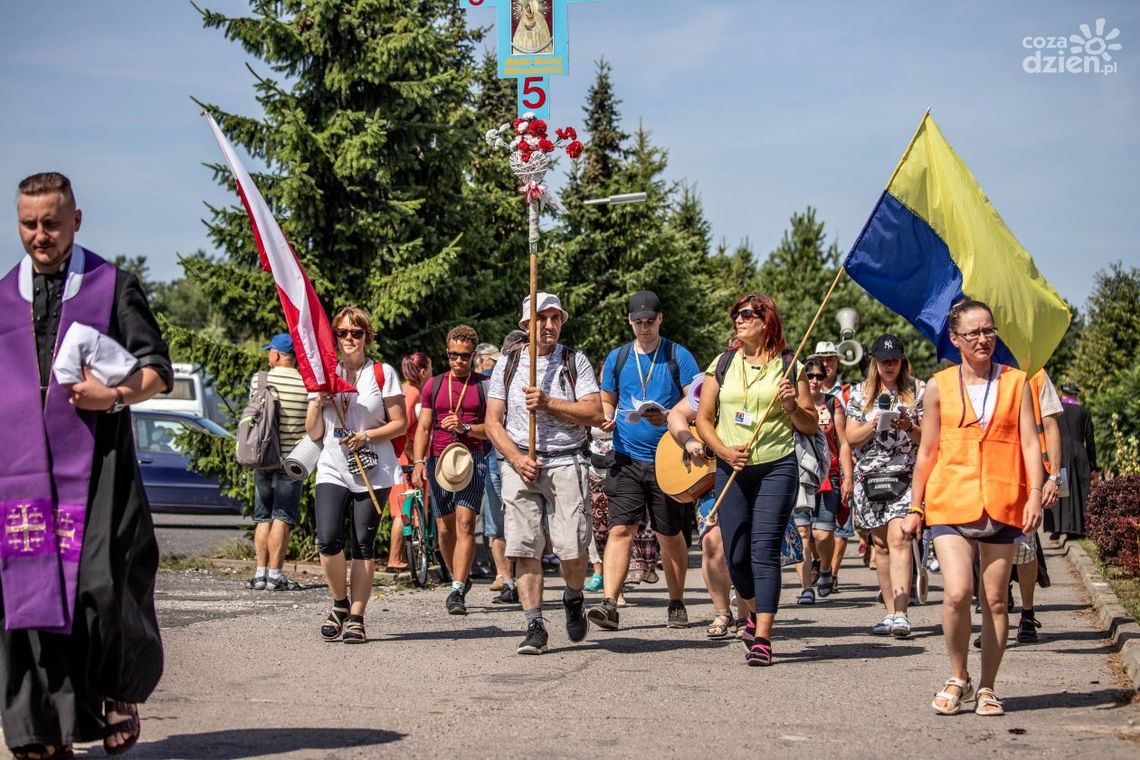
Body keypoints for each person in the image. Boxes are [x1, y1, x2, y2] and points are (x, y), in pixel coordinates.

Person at [0, 172, 171, 757]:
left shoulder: (112, 285)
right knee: (26, 594)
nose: (40, 235)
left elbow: (157, 369)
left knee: (101, 585)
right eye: (28, 223)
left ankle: (118, 693)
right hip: (20, 472)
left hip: (100, 465)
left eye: (51, 222)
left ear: (76, 220)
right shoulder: (1, 297)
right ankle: (38, 728)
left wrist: (115, 396)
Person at [905, 299, 1044, 717]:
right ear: (955, 339)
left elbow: (1031, 442)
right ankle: (957, 676)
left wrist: (1036, 491)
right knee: (959, 591)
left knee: (997, 600)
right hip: (949, 499)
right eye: (973, 333)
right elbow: (927, 450)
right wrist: (915, 506)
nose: (983, 339)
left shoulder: (1017, 382)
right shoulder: (939, 386)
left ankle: (987, 687)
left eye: (989, 331)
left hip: (1003, 499)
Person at [694, 293, 818, 666]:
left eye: (746, 314)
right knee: (735, 555)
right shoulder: (723, 363)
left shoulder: (788, 366)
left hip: (776, 467)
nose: (738, 319)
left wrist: (792, 405)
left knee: (763, 551)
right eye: (736, 314)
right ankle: (748, 614)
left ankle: (763, 635)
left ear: (766, 322)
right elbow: (703, 418)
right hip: (731, 468)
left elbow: (811, 424)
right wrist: (723, 451)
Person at [484, 293, 603, 655]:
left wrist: (548, 402)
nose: (548, 325)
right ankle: (534, 624)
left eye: (555, 318)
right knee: (524, 547)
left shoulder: (574, 360)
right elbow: (492, 422)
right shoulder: (508, 363)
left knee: (573, 548)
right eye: (541, 318)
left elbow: (594, 412)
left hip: (566, 461)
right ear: (526, 325)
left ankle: (572, 595)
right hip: (521, 464)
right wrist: (517, 459)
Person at [587, 291, 701, 631]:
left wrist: (670, 417)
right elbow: (607, 398)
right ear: (629, 321)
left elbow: (697, 401)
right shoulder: (618, 357)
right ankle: (609, 603)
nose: (644, 328)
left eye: (649, 322)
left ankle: (676, 601)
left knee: (669, 534)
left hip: (668, 459)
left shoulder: (678, 355)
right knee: (621, 528)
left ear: (660, 319)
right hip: (625, 457)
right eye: (637, 322)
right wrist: (606, 417)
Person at [306, 307, 407, 644]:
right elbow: (315, 432)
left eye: (356, 333)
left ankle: (357, 618)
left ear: (367, 337)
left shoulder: (382, 373)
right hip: (333, 467)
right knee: (328, 538)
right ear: (334, 336)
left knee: (363, 544)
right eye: (342, 332)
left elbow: (400, 424)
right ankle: (339, 605)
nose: (349, 338)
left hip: (373, 468)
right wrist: (316, 403)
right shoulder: (325, 373)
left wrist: (367, 436)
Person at [844, 334, 924, 637]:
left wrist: (909, 426)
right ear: (874, 363)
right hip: (871, 479)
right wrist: (874, 422)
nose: (890, 365)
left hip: (905, 475)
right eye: (884, 360)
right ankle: (890, 612)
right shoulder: (860, 394)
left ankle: (903, 612)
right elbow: (850, 438)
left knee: (901, 536)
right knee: (880, 545)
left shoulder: (918, 390)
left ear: (902, 361)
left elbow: (929, 437)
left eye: (895, 360)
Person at [412, 326, 490, 616]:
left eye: (465, 356)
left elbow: (494, 429)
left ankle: (457, 589)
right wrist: (419, 462)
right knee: (444, 528)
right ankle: (459, 573)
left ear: (473, 355)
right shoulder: (433, 385)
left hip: (472, 459)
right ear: (447, 353)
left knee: (466, 523)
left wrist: (467, 427)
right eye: (453, 355)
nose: (458, 361)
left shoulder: (483, 386)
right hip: (438, 460)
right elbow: (422, 427)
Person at [666, 375, 746, 638]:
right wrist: (689, 441)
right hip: (710, 480)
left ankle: (747, 615)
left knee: (743, 544)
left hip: (746, 474)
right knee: (712, 542)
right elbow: (676, 415)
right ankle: (722, 612)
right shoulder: (712, 380)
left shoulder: (761, 383)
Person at [248, 333, 308, 591]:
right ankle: (276, 575)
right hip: (291, 460)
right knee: (281, 517)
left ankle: (260, 574)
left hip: (263, 456)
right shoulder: (305, 384)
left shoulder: (260, 380)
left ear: (276, 355)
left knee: (263, 517)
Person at [791, 356, 853, 603]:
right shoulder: (791, 403)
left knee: (823, 534)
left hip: (829, 474)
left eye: (819, 376)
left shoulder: (832, 403)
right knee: (803, 531)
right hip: (799, 474)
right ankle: (806, 587)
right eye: (810, 375)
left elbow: (844, 442)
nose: (815, 381)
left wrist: (848, 478)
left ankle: (825, 568)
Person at [487, 330, 528, 605]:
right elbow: (490, 420)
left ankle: (522, 580)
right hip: (497, 457)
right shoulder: (495, 380)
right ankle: (507, 581)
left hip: (524, 457)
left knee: (522, 523)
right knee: (496, 523)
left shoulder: (532, 379)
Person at [385, 353, 431, 572]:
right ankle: (395, 559)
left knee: (402, 508)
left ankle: (398, 558)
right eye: (430, 369)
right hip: (406, 460)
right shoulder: (412, 393)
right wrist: (415, 456)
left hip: (402, 457)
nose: (431, 374)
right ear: (422, 372)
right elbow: (402, 429)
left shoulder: (404, 390)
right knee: (403, 509)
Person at [1049, 382, 1098, 538]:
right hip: (1079, 454)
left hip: (1060, 453)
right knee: (1079, 489)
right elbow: (1090, 440)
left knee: (1062, 489)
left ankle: (1058, 527)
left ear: (1062, 393)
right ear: (1075, 395)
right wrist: (1093, 464)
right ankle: (1077, 528)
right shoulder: (1084, 412)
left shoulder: (1056, 410)